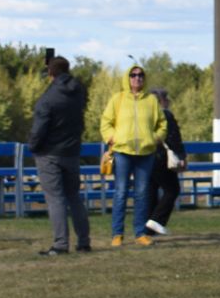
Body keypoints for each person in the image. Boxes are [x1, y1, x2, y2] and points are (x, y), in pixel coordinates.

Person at [28, 56, 91, 256]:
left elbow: (39, 129)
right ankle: (84, 241)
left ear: (50, 73)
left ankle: (61, 243)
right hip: (72, 152)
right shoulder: (78, 92)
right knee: (74, 197)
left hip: (49, 153)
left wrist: (33, 146)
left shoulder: (48, 98)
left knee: (55, 198)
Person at [99, 65, 164, 248]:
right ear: (127, 78)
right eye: (133, 75)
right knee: (120, 193)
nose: (137, 78)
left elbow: (162, 123)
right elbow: (106, 122)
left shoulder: (151, 101)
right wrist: (112, 137)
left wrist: (156, 138)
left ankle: (140, 233)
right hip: (122, 152)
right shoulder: (117, 99)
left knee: (142, 194)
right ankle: (117, 234)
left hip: (145, 153)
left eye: (141, 75)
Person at [144, 87, 186, 237]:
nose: (168, 101)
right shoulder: (166, 115)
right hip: (162, 158)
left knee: (150, 192)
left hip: (146, 157)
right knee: (172, 189)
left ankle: (147, 229)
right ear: (162, 101)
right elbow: (174, 137)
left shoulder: (145, 116)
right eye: (166, 99)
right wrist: (181, 156)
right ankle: (156, 220)